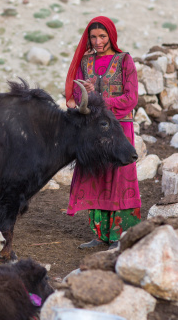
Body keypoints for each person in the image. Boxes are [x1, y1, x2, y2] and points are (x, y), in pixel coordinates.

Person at [65, 16, 141, 250]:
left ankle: (120, 237)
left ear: (111, 36)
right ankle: (99, 235)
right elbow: (78, 98)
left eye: (102, 36)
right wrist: (86, 92)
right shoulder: (85, 62)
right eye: (93, 37)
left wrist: (99, 98)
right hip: (95, 131)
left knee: (120, 177)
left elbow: (131, 98)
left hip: (119, 128)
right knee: (96, 176)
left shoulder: (124, 60)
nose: (97, 41)